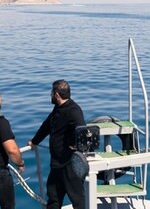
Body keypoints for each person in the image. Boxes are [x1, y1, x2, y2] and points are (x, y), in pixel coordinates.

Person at [28, 79, 86, 209]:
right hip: (57, 164)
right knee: (53, 198)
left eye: (51, 93)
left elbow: (82, 130)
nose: (50, 95)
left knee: (77, 199)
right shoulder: (58, 109)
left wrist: (75, 145)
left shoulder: (73, 110)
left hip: (70, 165)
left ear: (56, 94)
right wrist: (34, 141)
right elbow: (46, 126)